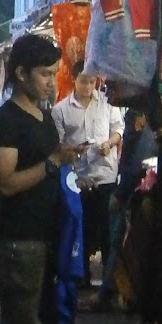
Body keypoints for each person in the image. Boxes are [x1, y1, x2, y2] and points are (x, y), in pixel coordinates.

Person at [0, 33, 114, 324]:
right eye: (43, 74)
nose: (50, 82)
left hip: (50, 240)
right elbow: (4, 183)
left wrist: (63, 158)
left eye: (54, 74)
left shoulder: (41, 115)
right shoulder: (5, 121)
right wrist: (54, 160)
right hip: (20, 243)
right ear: (20, 73)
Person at [51, 59, 124, 287]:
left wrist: (110, 143)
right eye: (84, 81)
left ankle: (107, 283)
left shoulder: (107, 104)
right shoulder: (61, 110)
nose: (88, 86)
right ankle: (79, 277)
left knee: (106, 231)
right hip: (77, 179)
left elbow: (118, 129)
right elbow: (57, 144)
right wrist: (72, 150)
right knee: (80, 230)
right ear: (74, 79)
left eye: (92, 82)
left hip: (105, 176)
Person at [97, 107, 157, 310]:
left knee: (118, 240)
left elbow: (136, 160)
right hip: (140, 186)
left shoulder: (142, 115)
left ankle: (109, 292)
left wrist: (120, 193)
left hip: (135, 189)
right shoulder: (144, 113)